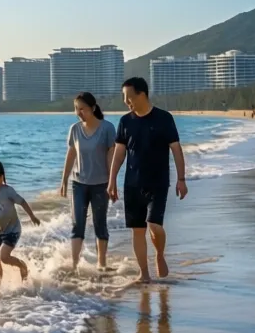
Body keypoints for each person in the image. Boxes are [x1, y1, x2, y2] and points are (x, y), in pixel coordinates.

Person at [107, 77, 187, 283]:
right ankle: (144, 274)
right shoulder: (125, 121)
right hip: (132, 184)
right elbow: (119, 154)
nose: (126, 102)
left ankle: (159, 254)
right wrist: (112, 180)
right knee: (137, 230)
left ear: (141, 94)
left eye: (128, 97)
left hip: (158, 183)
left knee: (154, 225)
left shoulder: (164, 118)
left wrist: (181, 179)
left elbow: (176, 149)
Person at [59, 92, 116, 271]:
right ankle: (74, 266)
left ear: (92, 108)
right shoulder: (74, 129)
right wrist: (64, 180)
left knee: (100, 223)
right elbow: (71, 154)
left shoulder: (107, 128)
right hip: (78, 183)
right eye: (76, 108)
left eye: (82, 108)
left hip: (101, 184)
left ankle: (102, 264)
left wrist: (112, 182)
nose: (78, 112)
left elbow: (111, 156)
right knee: (78, 224)